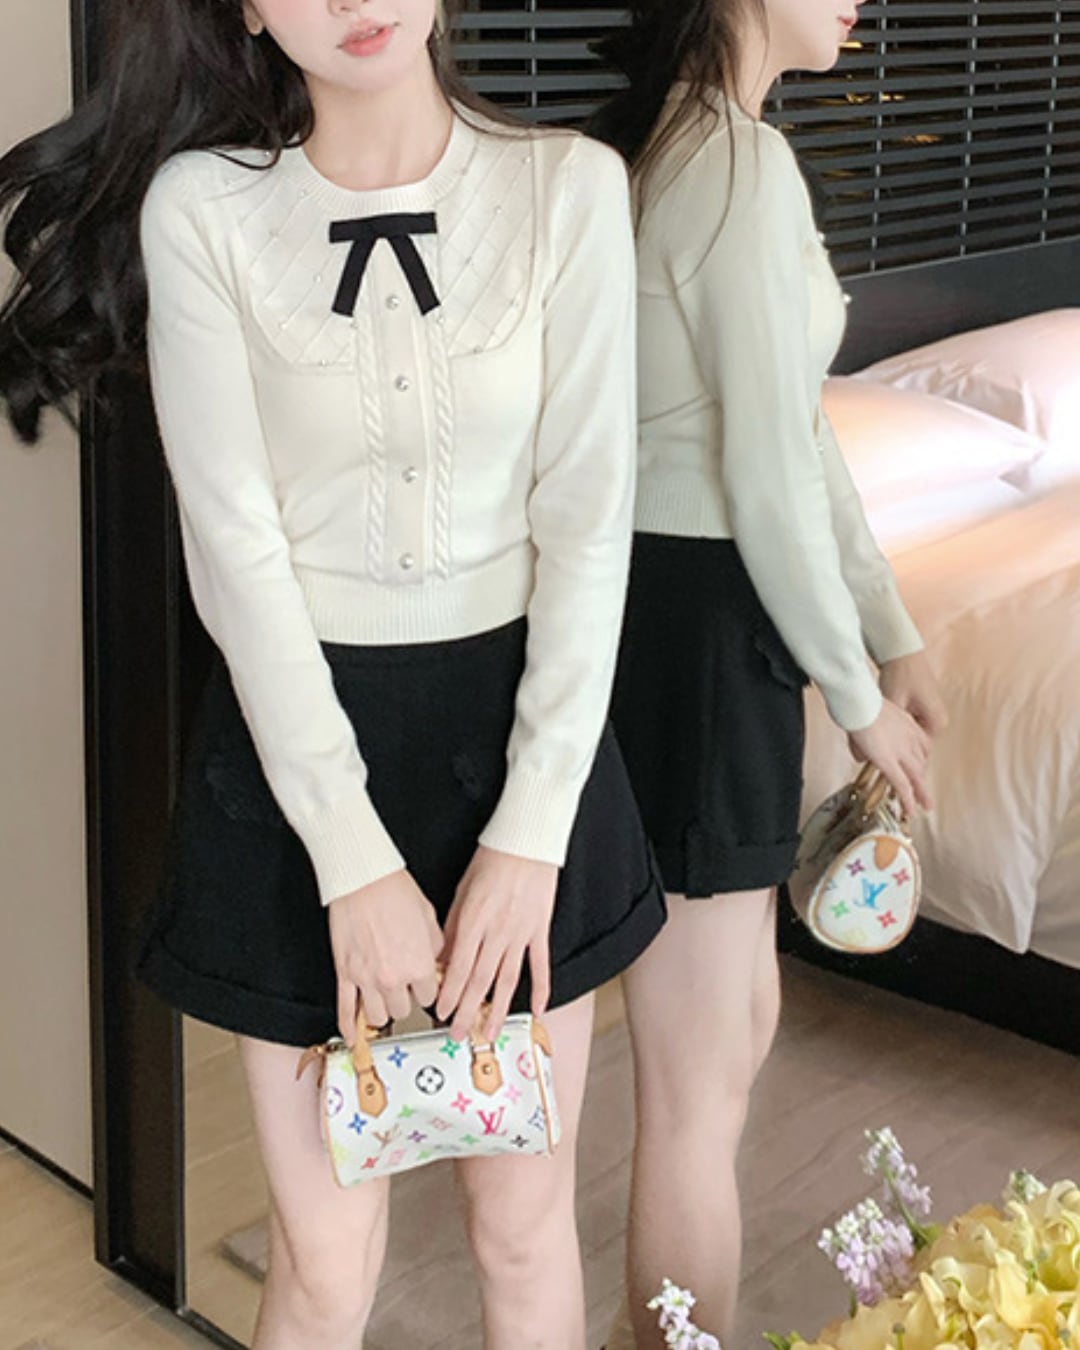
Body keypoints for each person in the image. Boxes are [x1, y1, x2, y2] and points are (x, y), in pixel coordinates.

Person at [0, 2, 666, 1345]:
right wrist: (351, 861)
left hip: (522, 744)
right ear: (248, 8)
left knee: (522, 1228)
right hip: (301, 759)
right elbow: (234, 549)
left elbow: (591, 523)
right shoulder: (205, 210)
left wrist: (530, 837)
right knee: (323, 1252)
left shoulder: (570, 189)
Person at [589, 1, 949, 1344]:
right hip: (696, 623)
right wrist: (857, 697)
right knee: (695, 1081)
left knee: (735, 1025)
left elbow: (798, 439)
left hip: (698, 616)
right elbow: (765, 475)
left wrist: (891, 630)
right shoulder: (732, 166)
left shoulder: (713, 148)